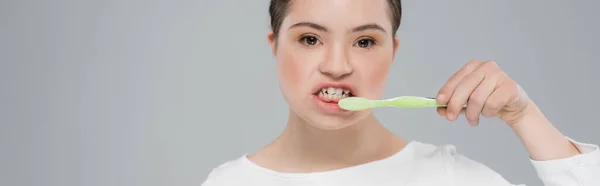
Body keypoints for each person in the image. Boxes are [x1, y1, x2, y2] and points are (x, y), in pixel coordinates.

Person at [201, 0, 600, 185]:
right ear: (274, 44)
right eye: (310, 38)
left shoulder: (451, 179)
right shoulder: (228, 182)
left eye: (364, 42)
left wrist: (524, 116)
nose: (337, 65)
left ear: (392, 51)